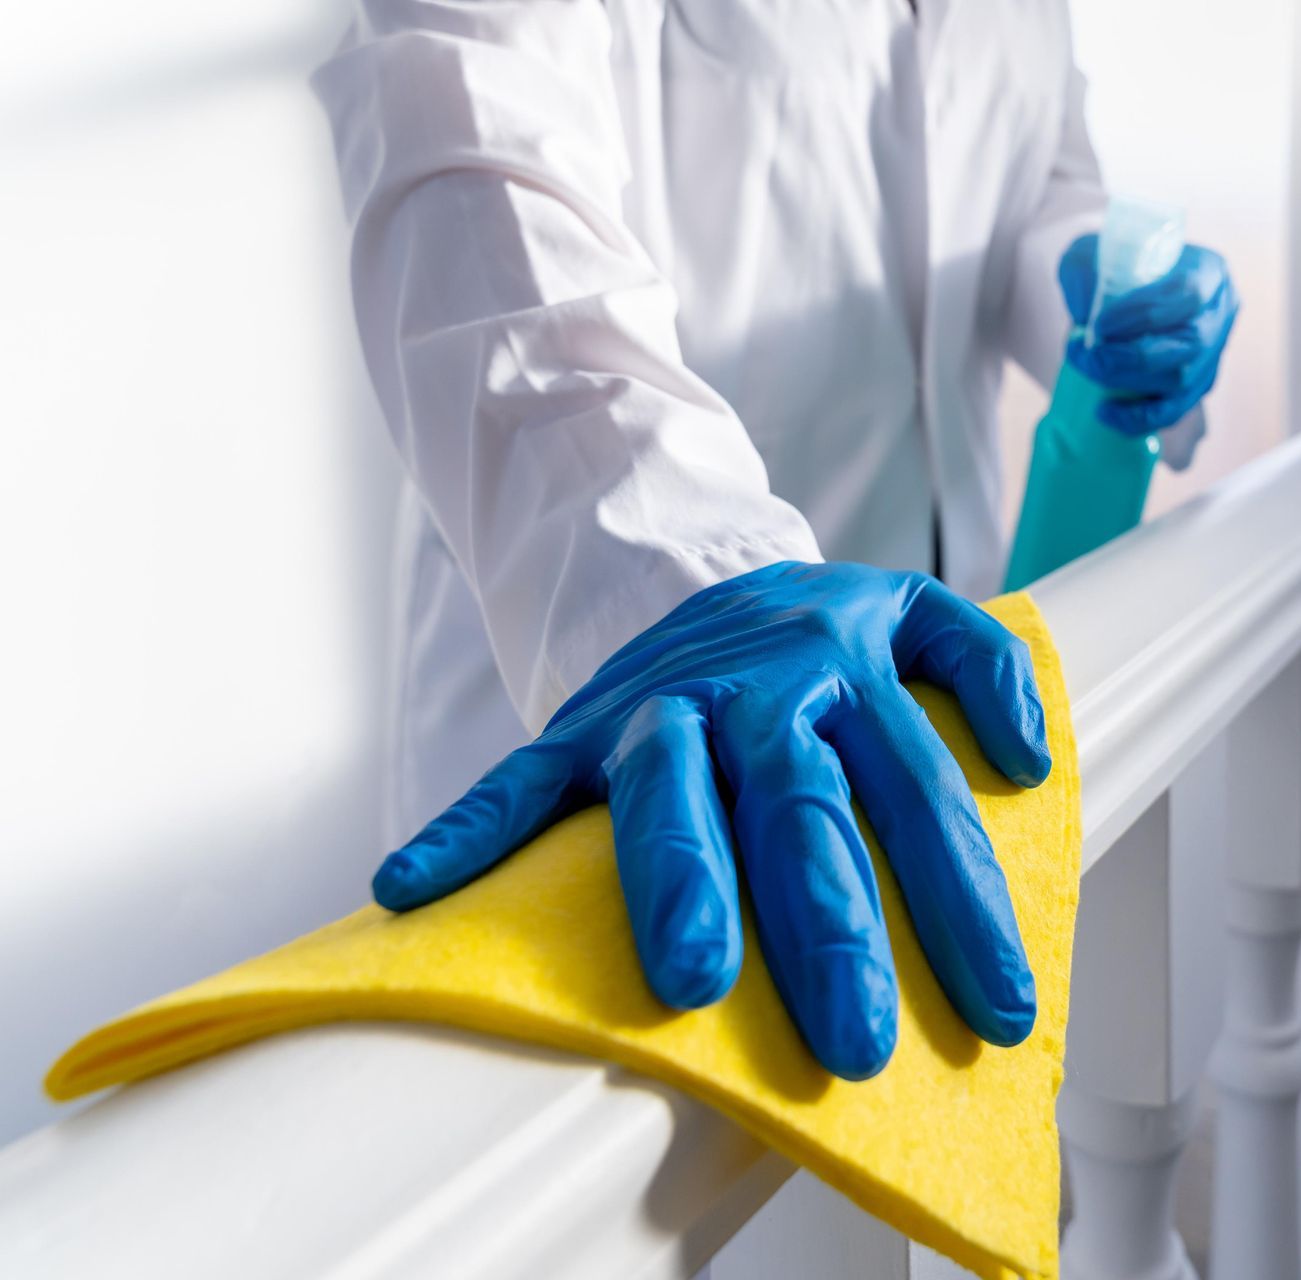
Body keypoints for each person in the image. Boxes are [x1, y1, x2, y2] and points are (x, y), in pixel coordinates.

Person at [312, 0, 1238, 1081]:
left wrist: (1095, 275)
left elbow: (1022, 174)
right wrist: (688, 573)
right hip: (627, 661)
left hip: (909, 698)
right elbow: (473, 145)